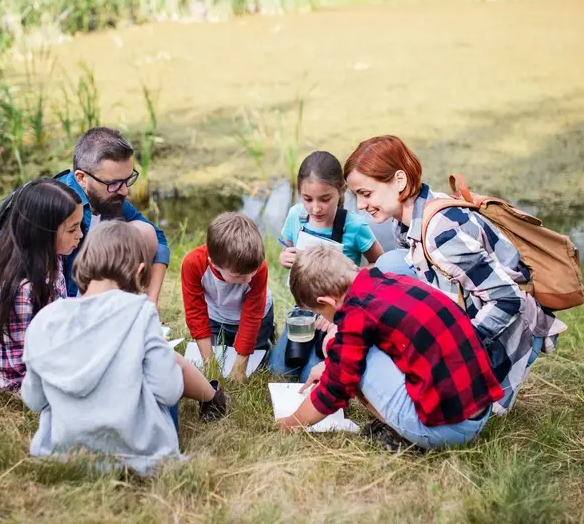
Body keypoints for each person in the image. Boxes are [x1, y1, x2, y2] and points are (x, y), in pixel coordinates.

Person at [343, 135, 568, 414]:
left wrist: (454, 350)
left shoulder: (440, 233)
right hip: (473, 311)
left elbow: (508, 299)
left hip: (510, 329)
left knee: (456, 413)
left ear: (399, 181)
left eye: (366, 194)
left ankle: (490, 380)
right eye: (356, 196)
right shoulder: (406, 220)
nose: (360, 206)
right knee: (389, 266)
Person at [21, 221, 227, 476]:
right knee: (167, 363)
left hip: (62, 456)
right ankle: (213, 396)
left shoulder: (46, 319)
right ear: (140, 269)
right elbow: (169, 390)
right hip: (140, 456)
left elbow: (34, 399)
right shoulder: (141, 313)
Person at [276, 247, 504, 451]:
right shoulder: (392, 281)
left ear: (327, 301)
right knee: (349, 348)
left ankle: (408, 435)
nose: (324, 318)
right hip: (479, 413)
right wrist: (330, 365)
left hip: (446, 432)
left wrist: (291, 422)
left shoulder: (358, 314)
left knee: (337, 345)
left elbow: (336, 387)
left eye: (321, 313)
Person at [0, 127, 170, 304]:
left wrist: (151, 300)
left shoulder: (109, 197)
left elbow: (157, 239)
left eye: (127, 180)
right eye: (114, 183)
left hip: (70, 297)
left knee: (144, 231)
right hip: (33, 299)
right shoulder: (53, 205)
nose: (125, 191)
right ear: (81, 178)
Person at [270, 151, 384, 381]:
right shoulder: (295, 216)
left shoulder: (354, 226)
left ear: (341, 191)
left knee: (309, 377)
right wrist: (285, 258)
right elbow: (288, 249)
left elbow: (379, 263)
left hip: (339, 311)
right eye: (307, 199)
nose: (315, 208)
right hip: (303, 310)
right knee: (280, 370)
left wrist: (353, 275)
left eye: (325, 199)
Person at [0, 178, 83, 393]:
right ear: (44, 233)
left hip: (45, 356)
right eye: (72, 230)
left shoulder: (53, 259)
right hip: (17, 378)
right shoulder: (23, 289)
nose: (80, 235)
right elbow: (26, 361)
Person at [181, 213, 274, 382]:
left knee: (258, 359)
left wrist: (240, 367)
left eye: (252, 271)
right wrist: (209, 364)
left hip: (258, 316)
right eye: (238, 276)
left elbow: (251, 318)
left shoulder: (258, 269)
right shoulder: (193, 263)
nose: (249, 279)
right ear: (214, 263)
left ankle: (266, 340)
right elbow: (195, 312)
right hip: (217, 317)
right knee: (218, 355)